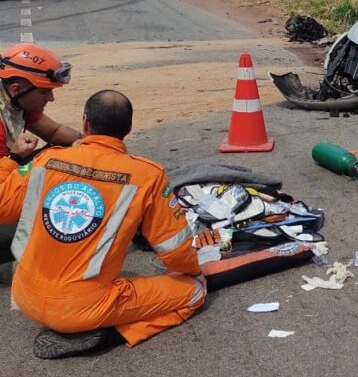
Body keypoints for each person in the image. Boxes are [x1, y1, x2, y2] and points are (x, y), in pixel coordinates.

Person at [0, 90, 206, 359]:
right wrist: (193, 272)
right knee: (194, 293)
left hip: (24, 296)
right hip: (81, 309)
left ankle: (83, 318)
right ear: (128, 129)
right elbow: (174, 249)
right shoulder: (147, 175)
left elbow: (3, 207)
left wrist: (13, 159)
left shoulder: (45, 160)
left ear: (85, 123)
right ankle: (110, 334)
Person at [0, 43, 81, 262]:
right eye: (45, 92)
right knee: (53, 222)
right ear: (16, 88)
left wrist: (94, 145)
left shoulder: (15, 102)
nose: (51, 99)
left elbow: (55, 132)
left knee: (64, 152)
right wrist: (16, 158)